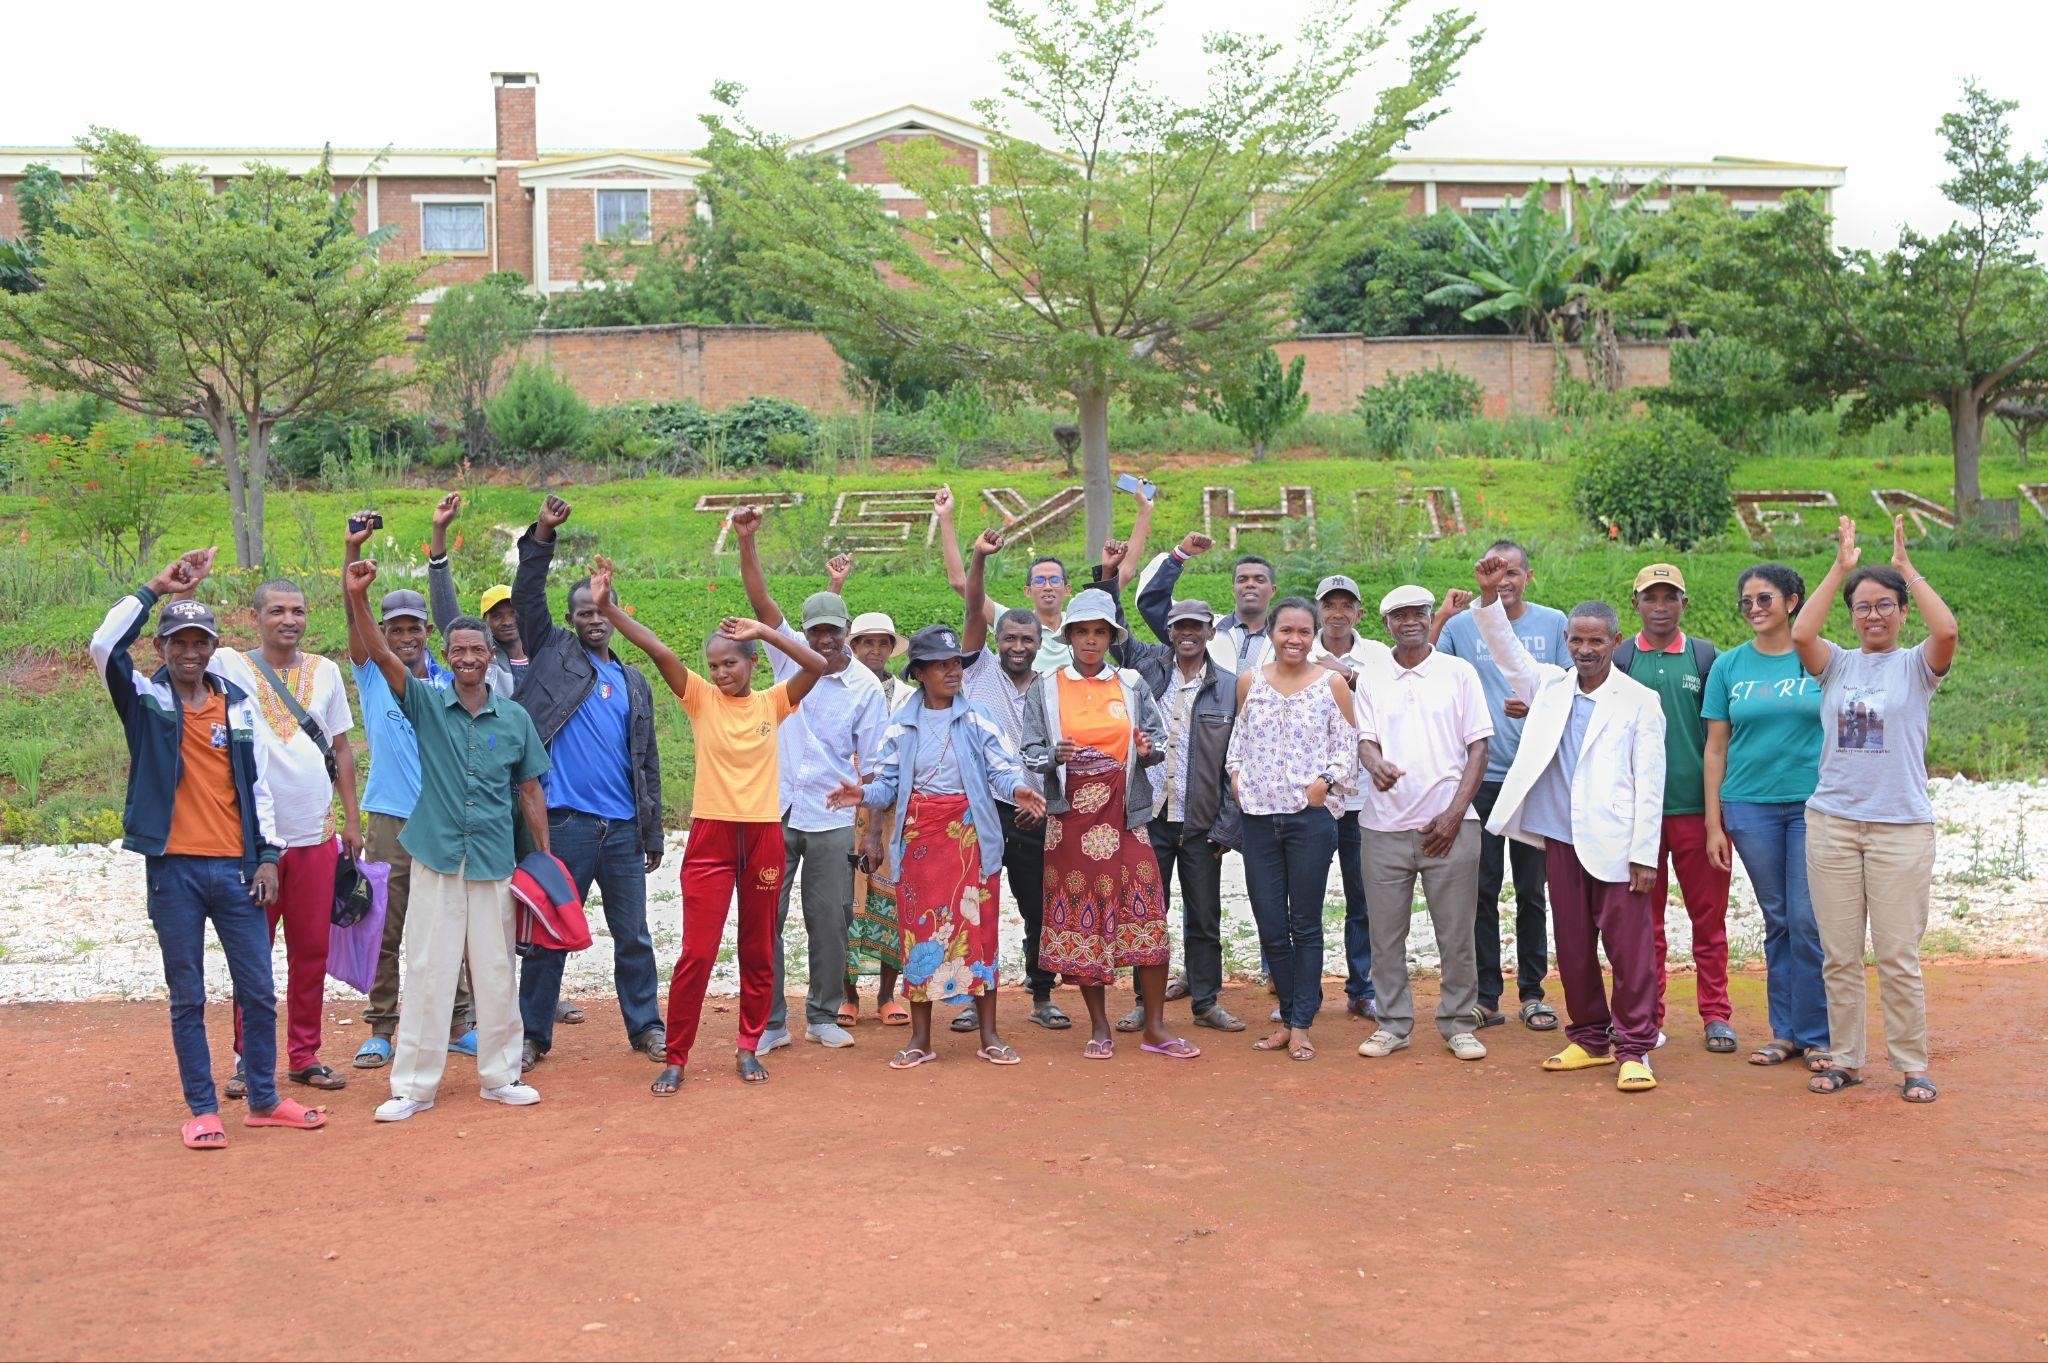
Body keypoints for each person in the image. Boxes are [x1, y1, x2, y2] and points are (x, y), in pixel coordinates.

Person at [93, 551, 327, 1148]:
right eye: (179, 643)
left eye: (200, 642)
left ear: (214, 645)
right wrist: (155, 589)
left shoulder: (236, 704)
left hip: (237, 871)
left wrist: (269, 856)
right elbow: (103, 645)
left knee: (256, 988)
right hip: (173, 871)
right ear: (164, 648)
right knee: (189, 993)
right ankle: (202, 1109)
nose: (190, 653)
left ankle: (265, 1098)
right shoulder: (146, 700)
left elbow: (257, 787)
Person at [580, 558, 828, 1093]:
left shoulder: (773, 701)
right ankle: (677, 1055)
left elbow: (817, 666)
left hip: (762, 836)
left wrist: (765, 630)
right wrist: (608, 608)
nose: (720, 673)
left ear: (751, 664)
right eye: (714, 666)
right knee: (697, 951)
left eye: (729, 664)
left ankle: (747, 1045)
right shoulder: (700, 700)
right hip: (711, 837)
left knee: (759, 945)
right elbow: (659, 650)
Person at [343, 558, 553, 1123]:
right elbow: (384, 657)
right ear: (450, 655)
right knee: (429, 969)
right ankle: (414, 1085)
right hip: (436, 856)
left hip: (493, 862)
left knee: (494, 972)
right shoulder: (427, 704)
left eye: (475, 651)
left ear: (490, 657)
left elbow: (531, 790)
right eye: (457, 650)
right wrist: (357, 597)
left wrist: (544, 860)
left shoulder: (514, 719)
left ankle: (500, 1075)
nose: (466, 659)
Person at [1467, 555, 1666, 1093]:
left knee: (1629, 952)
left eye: (1596, 641)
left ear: (1616, 642)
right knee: (1574, 948)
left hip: (1619, 845)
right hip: (1561, 840)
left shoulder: (1640, 702)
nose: (1584, 650)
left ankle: (1635, 1047)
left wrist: (1645, 854)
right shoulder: (1551, 688)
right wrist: (1489, 599)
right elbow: (1509, 654)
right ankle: (1590, 1039)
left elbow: (1651, 785)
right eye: (1576, 641)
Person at [828, 624, 1049, 1068]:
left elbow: (1000, 771)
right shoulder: (902, 724)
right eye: (942, 665)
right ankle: (920, 1039)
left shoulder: (977, 718)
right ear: (920, 673)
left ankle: (989, 1035)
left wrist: (1018, 789)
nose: (953, 672)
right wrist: (863, 795)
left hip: (971, 840)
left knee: (980, 935)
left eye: (956, 664)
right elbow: (887, 783)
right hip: (919, 841)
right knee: (920, 935)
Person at [1793, 516, 1958, 1105]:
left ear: (1902, 611)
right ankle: (1846, 1059)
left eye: (1885, 605)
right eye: (1862, 607)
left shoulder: (1917, 665)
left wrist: (1906, 566)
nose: (1873, 616)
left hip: (1901, 828)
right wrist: (1840, 567)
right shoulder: (1836, 663)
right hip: (1833, 824)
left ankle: (1912, 1064)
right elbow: (1801, 633)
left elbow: (1949, 630)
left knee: (1897, 956)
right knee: (1839, 955)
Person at [510, 496, 667, 1074]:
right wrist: (544, 535)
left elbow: (646, 760)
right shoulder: (553, 656)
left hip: (622, 831)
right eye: (582, 611)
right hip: (565, 826)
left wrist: (652, 832)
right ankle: (533, 1035)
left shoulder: (632, 680)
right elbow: (528, 596)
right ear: (571, 620)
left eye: (602, 609)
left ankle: (646, 1026)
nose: (593, 619)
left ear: (615, 612)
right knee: (549, 937)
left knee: (634, 936)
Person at [731, 505, 888, 1054]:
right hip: (772, 810)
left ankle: (822, 1014)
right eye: (814, 630)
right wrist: (746, 541)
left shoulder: (867, 690)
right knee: (764, 919)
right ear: (803, 631)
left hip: (830, 819)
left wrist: (872, 833)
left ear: (848, 632)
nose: (823, 641)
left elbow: (873, 769)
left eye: (832, 631)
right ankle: (771, 1022)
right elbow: (761, 602)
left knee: (829, 920)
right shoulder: (784, 662)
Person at [1020, 588, 1191, 1060]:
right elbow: (1029, 751)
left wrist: (1145, 750)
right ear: (1070, 636)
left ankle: (1155, 1027)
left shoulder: (1131, 683)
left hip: (1125, 817)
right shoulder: (1047, 686)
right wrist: (1052, 755)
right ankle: (1100, 1028)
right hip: (1069, 820)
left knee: (1147, 915)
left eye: (1100, 632)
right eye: (1083, 632)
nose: (1091, 641)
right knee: (1082, 918)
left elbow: (1155, 741)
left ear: (1112, 636)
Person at [208, 574, 358, 1097]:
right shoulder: (227, 664)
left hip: (316, 834)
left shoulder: (327, 672)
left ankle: (304, 1055)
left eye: (297, 610)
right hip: (253, 841)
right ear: (256, 617)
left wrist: (353, 823)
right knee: (252, 953)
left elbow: (340, 748)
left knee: (311, 951)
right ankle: (248, 1060)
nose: (288, 620)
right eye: (277, 611)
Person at [1087, 539, 1246, 1034]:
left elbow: (1235, 761)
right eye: (1179, 627)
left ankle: (1206, 1002)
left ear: (1210, 631)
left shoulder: (1228, 686)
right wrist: (1107, 576)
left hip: (1199, 823)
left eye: (1196, 627)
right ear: (1170, 632)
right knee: (1145, 915)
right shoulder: (1147, 666)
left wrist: (1227, 825)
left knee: (1204, 919)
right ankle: (1143, 1002)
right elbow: (1113, 629)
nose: (1186, 635)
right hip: (1149, 818)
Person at [342, 513, 477, 1068]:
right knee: (387, 923)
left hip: (443, 817)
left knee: (451, 919)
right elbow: (358, 629)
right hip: (390, 818)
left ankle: (458, 1021)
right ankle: (381, 1027)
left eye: (412, 628)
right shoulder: (374, 674)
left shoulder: (452, 682)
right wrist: (354, 575)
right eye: (394, 630)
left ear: (427, 631)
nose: (404, 637)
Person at [1354, 585, 1494, 1063]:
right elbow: (1365, 740)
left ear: (1432, 616)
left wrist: (1455, 814)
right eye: (1399, 615)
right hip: (1383, 828)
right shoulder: (1372, 676)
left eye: (1419, 613)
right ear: (1386, 624)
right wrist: (1374, 765)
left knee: (1456, 934)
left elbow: (1479, 747)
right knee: (1386, 935)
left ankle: (1458, 1023)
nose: (1410, 621)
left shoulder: (1458, 672)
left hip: (1451, 828)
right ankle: (1393, 1024)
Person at [1434, 540, 1567, 1033]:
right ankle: (1486, 996)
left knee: (1532, 891)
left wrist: (1537, 708)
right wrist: (1443, 618)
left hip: (1534, 776)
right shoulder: (1464, 624)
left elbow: (1568, 691)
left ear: (1528, 576)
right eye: (1495, 571)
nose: (1505, 579)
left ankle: (1533, 992)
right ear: (1484, 576)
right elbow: (1430, 675)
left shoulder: (1553, 624)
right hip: (1480, 777)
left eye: (1513, 571)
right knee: (1481, 889)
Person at [1702, 563, 1829, 1071]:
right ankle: (1786, 1033)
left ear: (1793, 602)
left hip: (1812, 806)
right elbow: (1715, 749)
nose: (1755, 609)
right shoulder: (1728, 667)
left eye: (1765, 599)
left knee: (1807, 918)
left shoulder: (1819, 659)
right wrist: (1714, 823)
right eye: (1747, 601)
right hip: (1748, 807)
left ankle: (1819, 1033)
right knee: (1778, 919)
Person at [1225, 597, 1359, 1062]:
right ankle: (1287, 1011)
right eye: (1286, 631)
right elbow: (1237, 743)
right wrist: (1238, 781)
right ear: (1272, 634)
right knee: (1269, 924)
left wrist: (1323, 785)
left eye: (1304, 632)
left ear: (1315, 634)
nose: (1295, 640)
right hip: (1259, 821)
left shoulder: (1332, 685)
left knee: (1305, 923)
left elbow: (1348, 750)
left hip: (1309, 822)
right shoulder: (1251, 683)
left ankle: (1301, 1023)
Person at [955, 525, 1069, 1032]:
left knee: (1037, 906)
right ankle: (966, 997)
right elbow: (974, 603)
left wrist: (1042, 798)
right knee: (971, 906)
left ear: (1040, 643)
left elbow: (1062, 754)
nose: (1018, 646)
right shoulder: (976, 671)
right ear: (995, 640)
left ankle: (1041, 996)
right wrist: (979, 557)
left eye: (1027, 639)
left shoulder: (1053, 689)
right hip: (981, 811)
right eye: (1010, 638)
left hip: (1035, 812)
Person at [1620, 563, 1734, 1054]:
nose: (1660, 607)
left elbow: (1721, 738)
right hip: (1638, 816)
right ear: (1636, 604)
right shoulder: (1620, 658)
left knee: (1708, 921)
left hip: (1697, 811)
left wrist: (1716, 819)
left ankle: (1716, 1014)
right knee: (1646, 926)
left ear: (1685, 603)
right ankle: (1650, 1016)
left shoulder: (1706, 658)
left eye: (1670, 598)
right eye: (1651, 597)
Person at [940, 483, 1153, 673]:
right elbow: (960, 583)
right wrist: (946, 516)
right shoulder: (1014, 624)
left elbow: (1124, 572)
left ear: (1067, 589)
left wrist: (1145, 511)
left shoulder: (1081, 620)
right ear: (1028, 591)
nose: (1048, 587)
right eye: (1039, 581)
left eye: (1055, 580)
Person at [1308, 572, 1393, 1023]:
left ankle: (1362, 988)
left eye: (1347, 605)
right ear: (1319, 609)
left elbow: (1394, 701)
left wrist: (1349, 674)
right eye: (1330, 604)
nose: (1338, 613)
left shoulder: (1377, 656)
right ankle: (1305, 991)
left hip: (1363, 797)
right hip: (1316, 795)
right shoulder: (1299, 648)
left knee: (1363, 898)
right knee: (1307, 897)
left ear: (1360, 612)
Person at [427, 491, 527, 697]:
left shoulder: (542, 653)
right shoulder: (485, 659)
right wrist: (439, 530)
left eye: (512, 613)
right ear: (485, 623)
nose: (507, 621)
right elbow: (444, 607)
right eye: (497, 616)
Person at [1139, 530, 1277, 675]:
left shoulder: (1286, 638)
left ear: (1273, 590)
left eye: (1259, 580)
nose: (1250, 584)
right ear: (1233, 589)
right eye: (1242, 579)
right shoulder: (1203, 627)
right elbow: (1153, 603)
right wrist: (1180, 556)